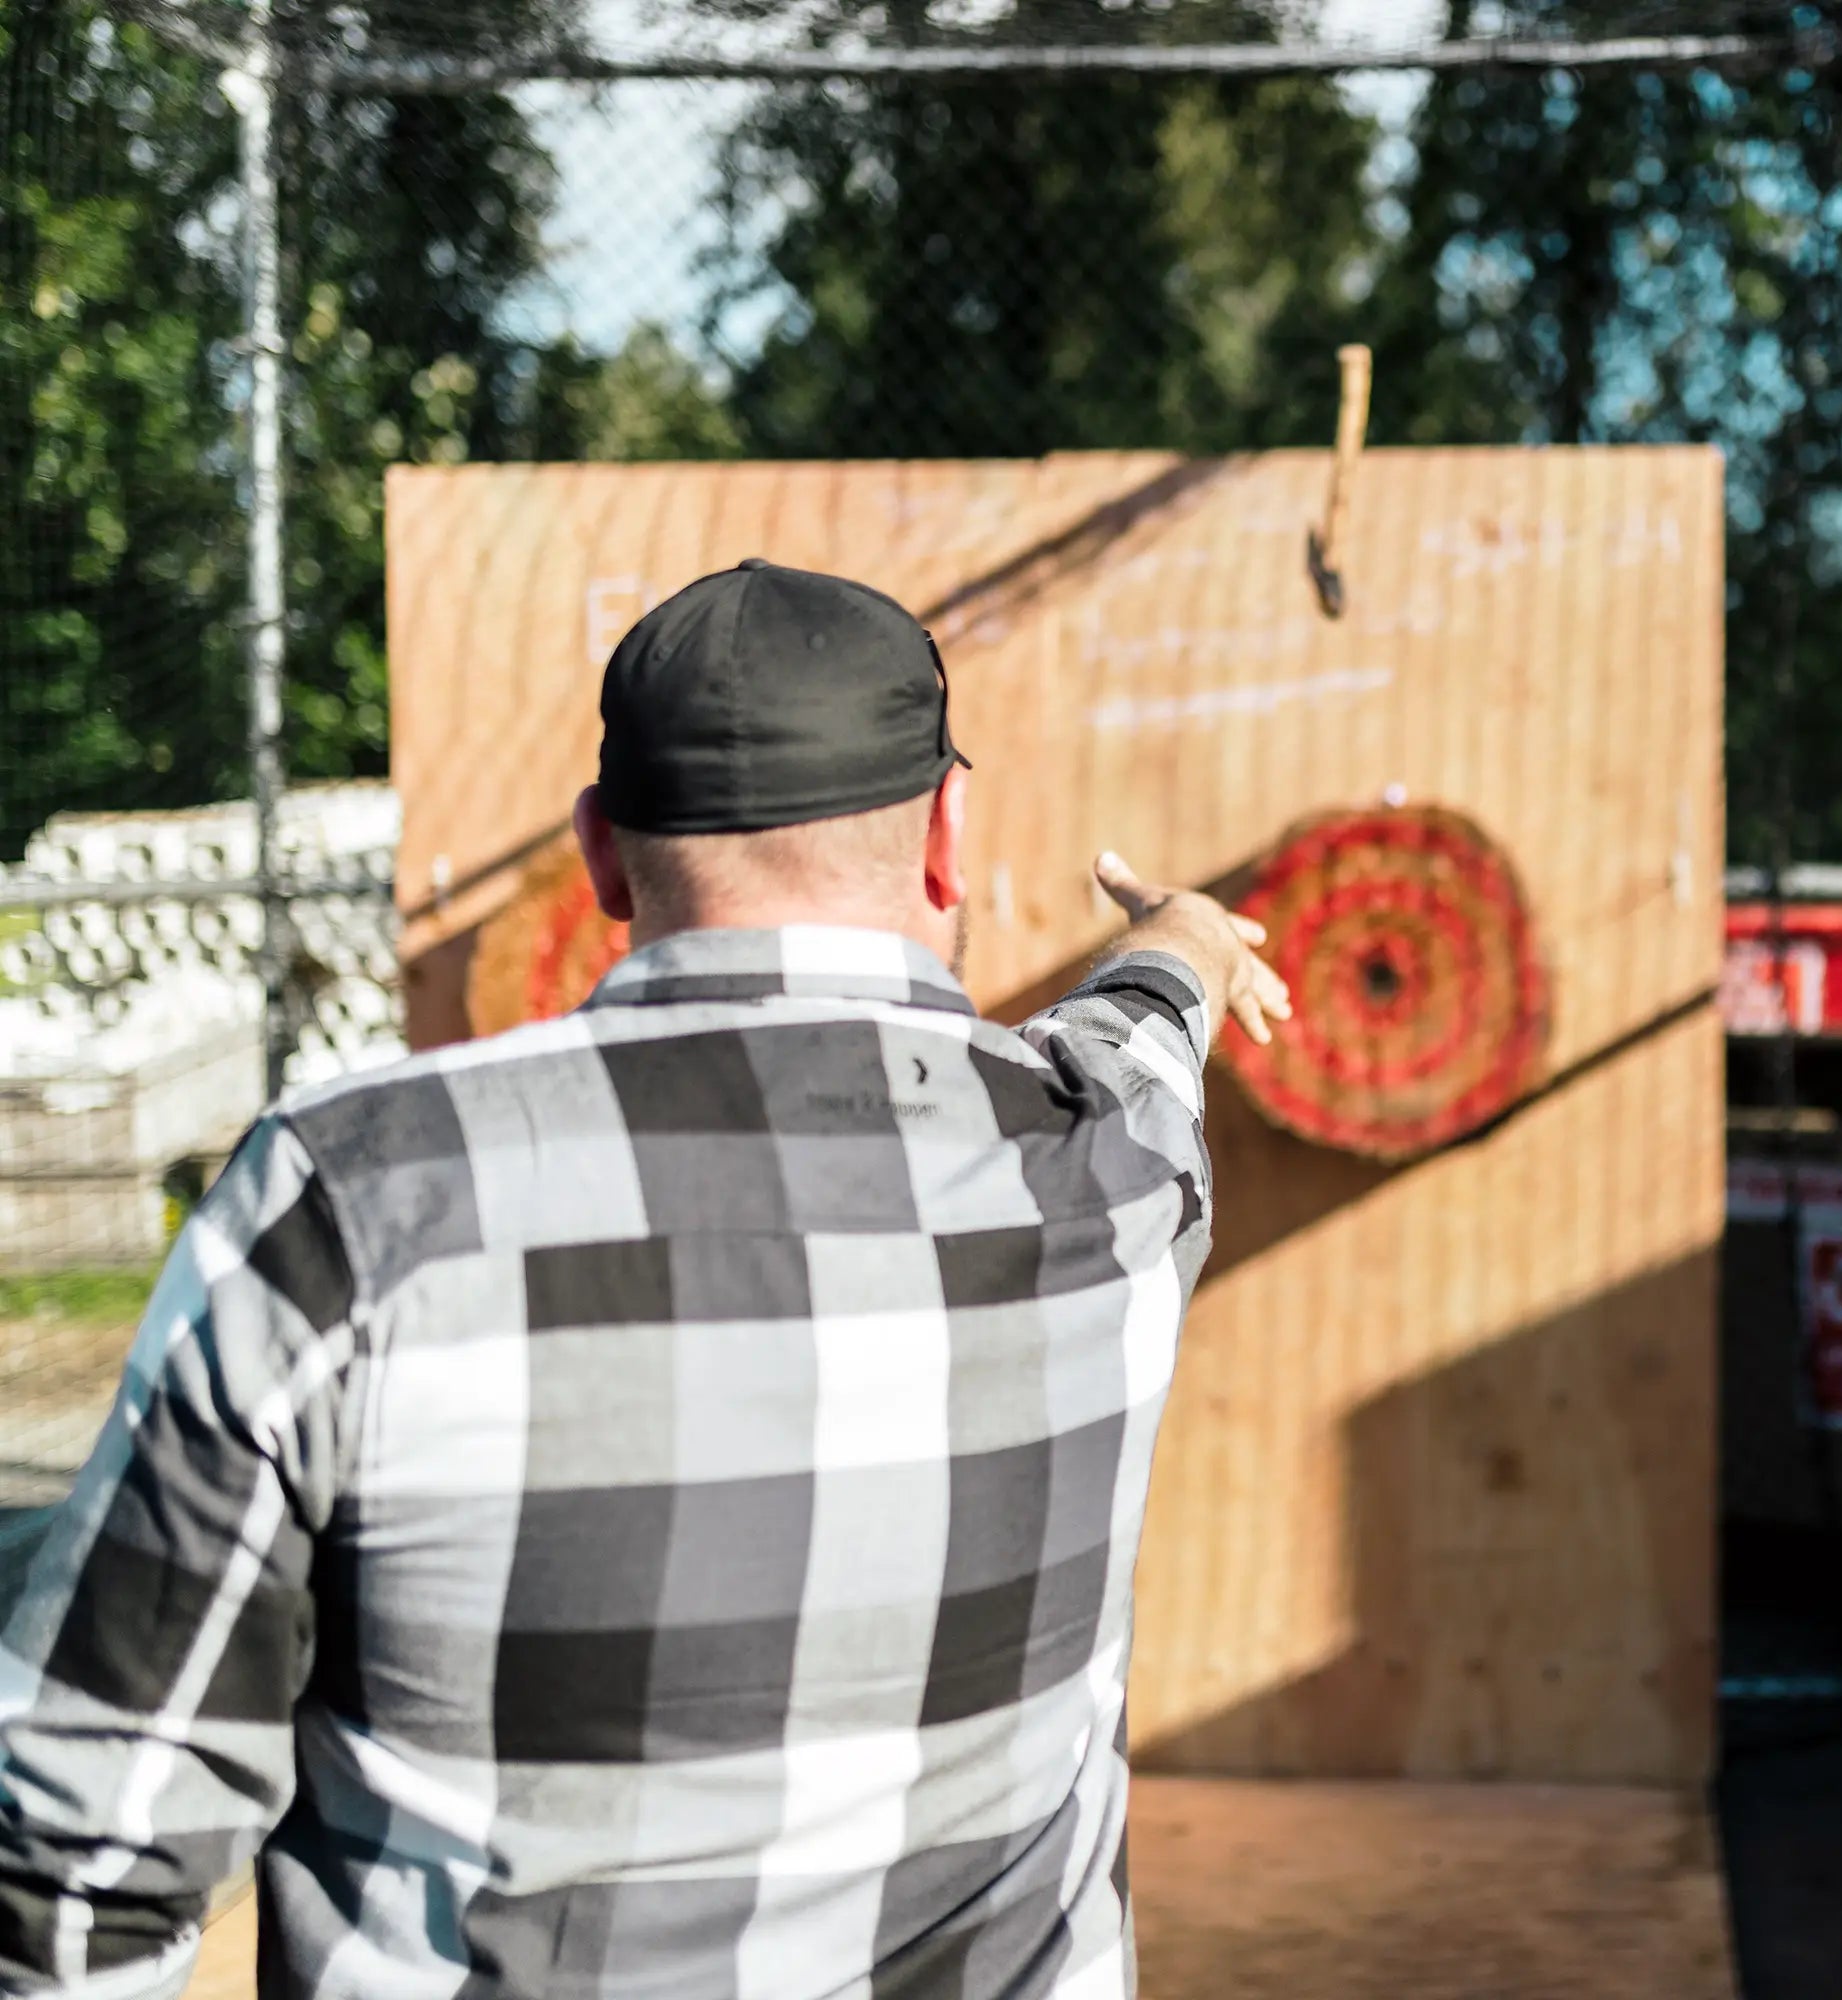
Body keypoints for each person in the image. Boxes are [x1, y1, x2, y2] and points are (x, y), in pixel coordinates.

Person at [0, 559, 1289, 2000]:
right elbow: (1144, 1018)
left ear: (602, 855)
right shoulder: (1114, 1164)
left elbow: (83, 1875)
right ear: (948, 835)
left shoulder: (353, 1198)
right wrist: (1183, 931)